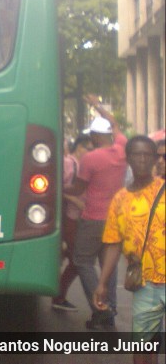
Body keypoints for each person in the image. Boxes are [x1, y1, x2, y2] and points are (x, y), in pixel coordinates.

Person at [93, 136, 165, 364]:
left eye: (147, 155)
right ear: (128, 159)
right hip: (145, 284)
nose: (142, 159)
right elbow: (113, 243)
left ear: (155, 159)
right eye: (137, 154)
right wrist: (102, 283)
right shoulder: (120, 200)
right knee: (144, 347)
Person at [64, 94, 128, 329]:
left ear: (93, 136)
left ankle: (101, 307)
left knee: (82, 260)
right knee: (107, 266)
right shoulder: (122, 148)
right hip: (116, 218)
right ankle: (108, 311)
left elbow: (78, 187)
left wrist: (58, 186)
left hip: (93, 218)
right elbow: (115, 123)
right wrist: (98, 106)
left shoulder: (91, 158)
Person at [52, 133, 93, 311]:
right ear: (79, 147)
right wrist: (74, 200)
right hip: (69, 217)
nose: (90, 153)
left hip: (77, 218)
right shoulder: (69, 163)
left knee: (76, 260)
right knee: (77, 260)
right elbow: (55, 187)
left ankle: (59, 296)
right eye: (88, 149)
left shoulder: (83, 165)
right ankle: (58, 296)